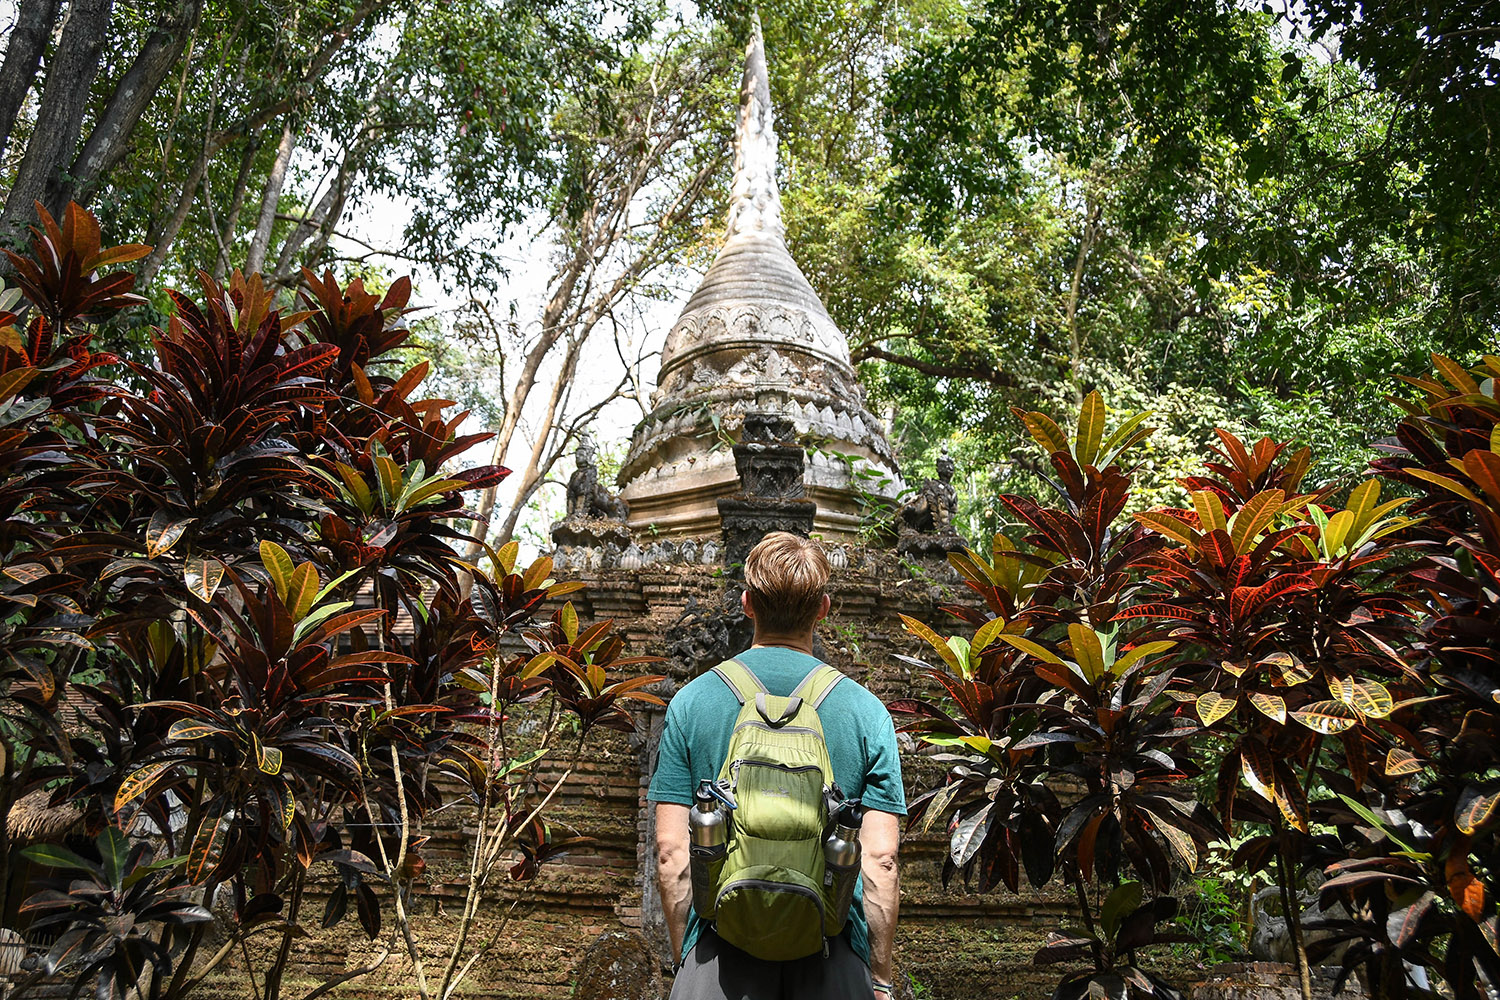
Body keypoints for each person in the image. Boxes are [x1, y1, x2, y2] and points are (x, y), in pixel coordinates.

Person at [649, 531, 905, 1000]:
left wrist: (685, 956)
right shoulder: (866, 712)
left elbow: (671, 854)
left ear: (747, 604)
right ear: (823, 608)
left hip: (719, 957)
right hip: (832, 953)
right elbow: (880, 862)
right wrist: (881, 978)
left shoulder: (692, 703)